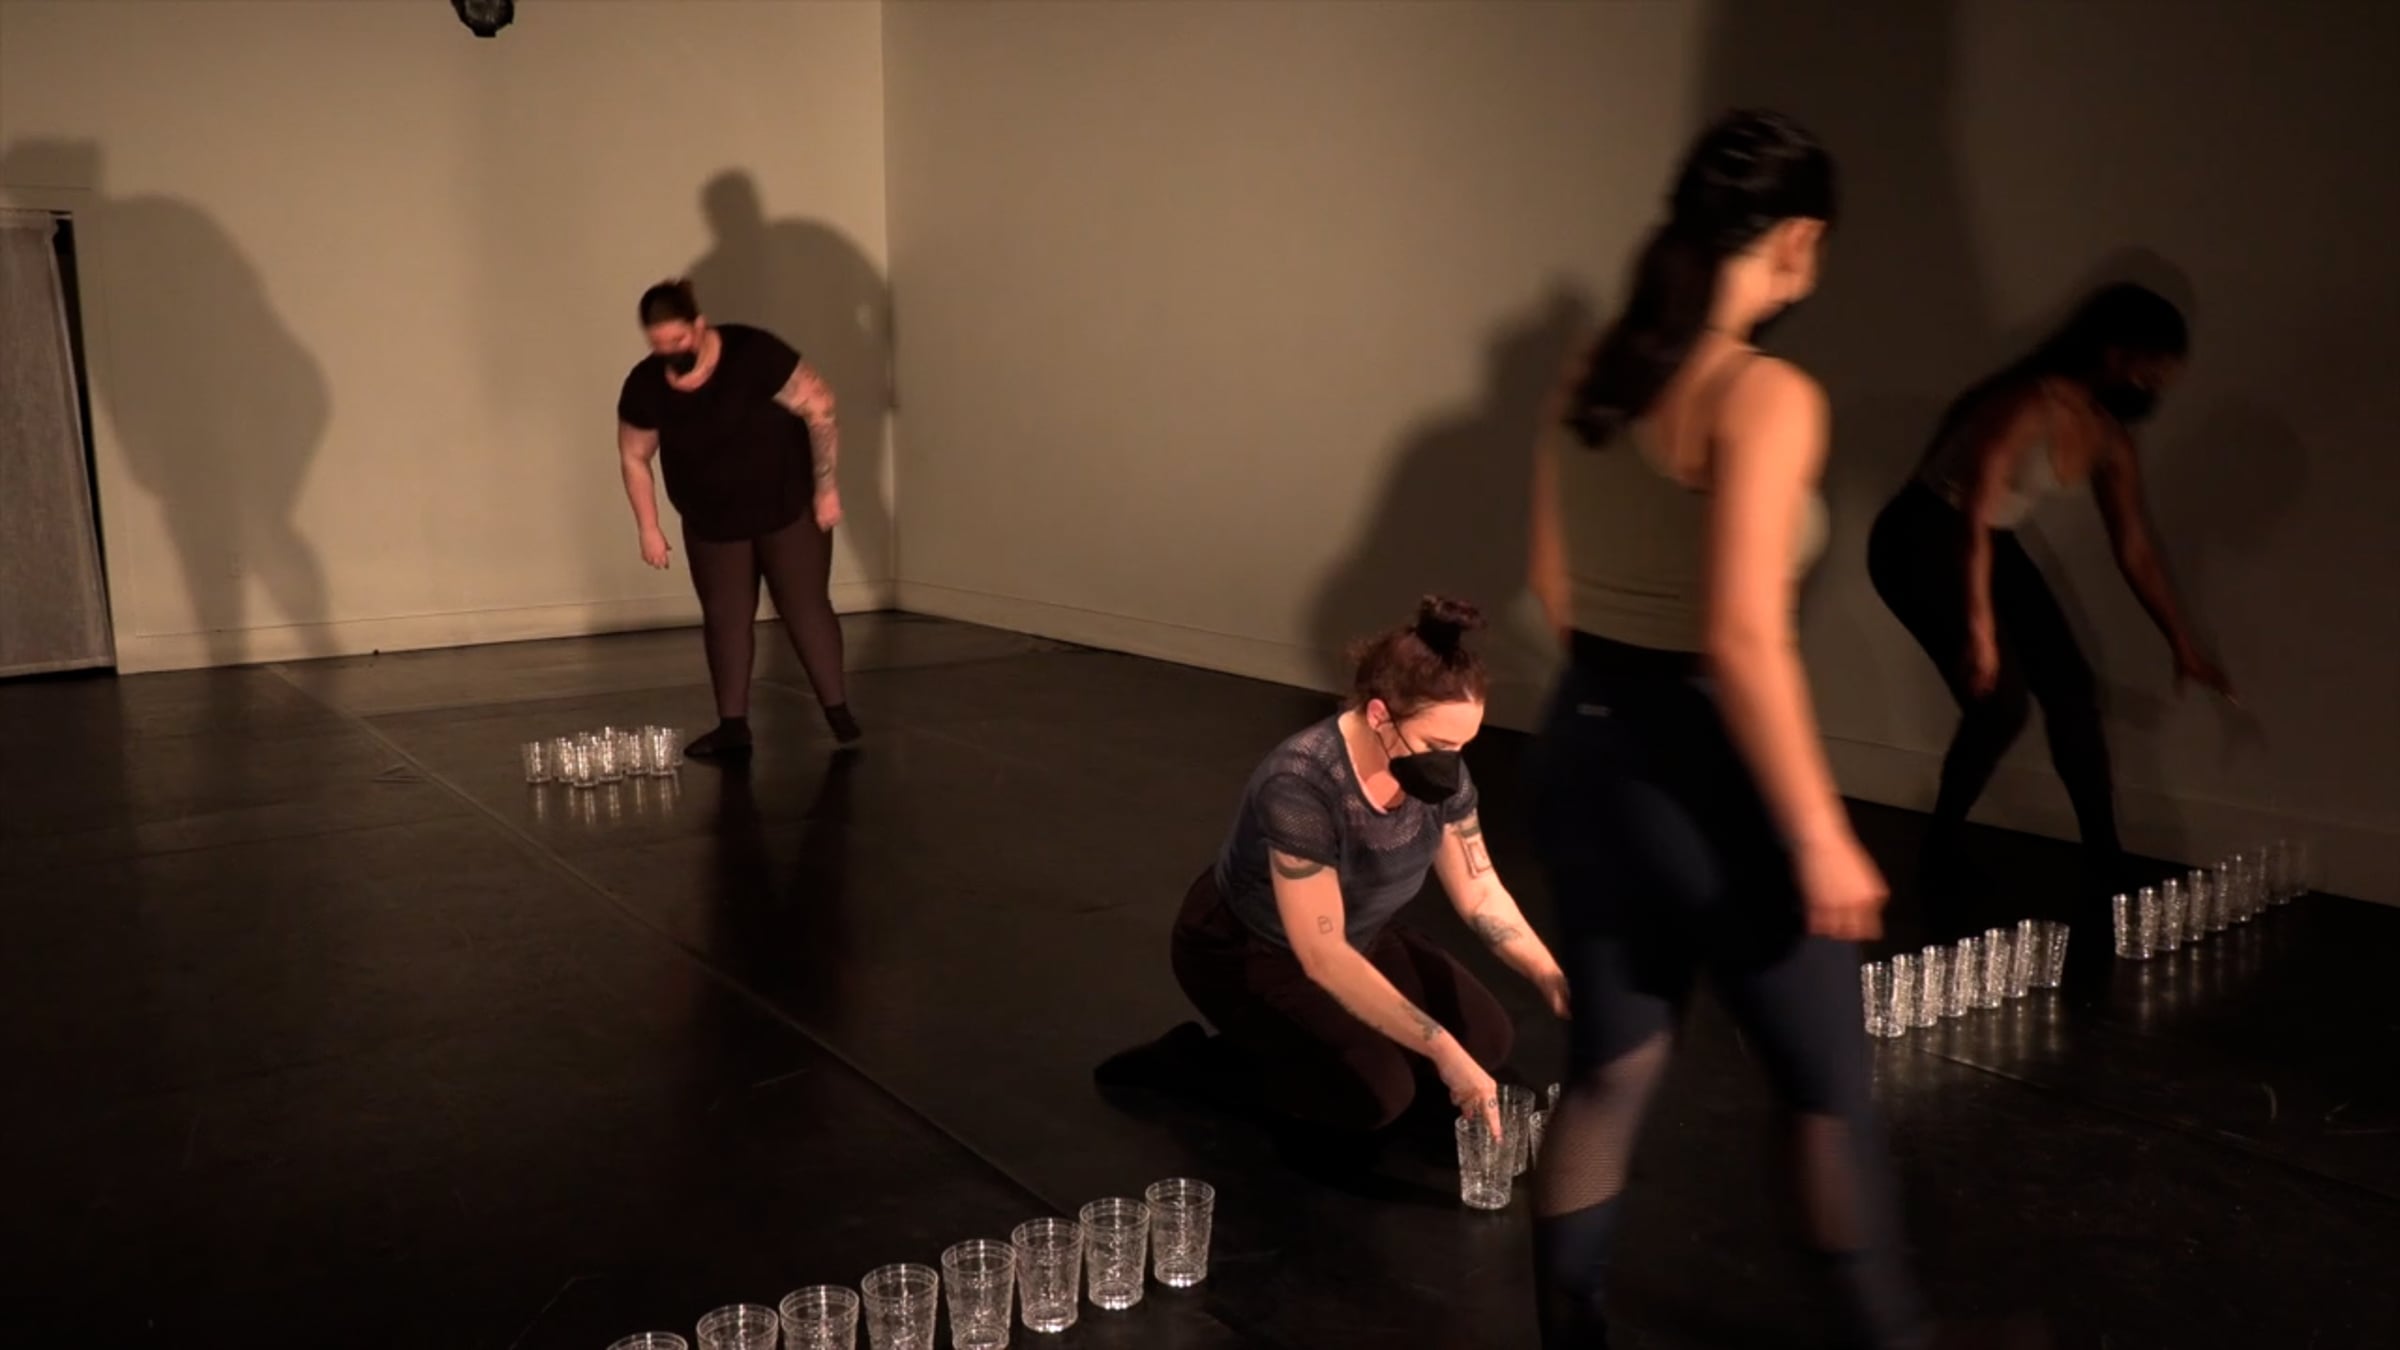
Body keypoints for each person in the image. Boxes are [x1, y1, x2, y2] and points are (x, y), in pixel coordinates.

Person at [1524, 110, 1926, 1347]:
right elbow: (1746, 637)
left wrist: (1621, 702)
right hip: (1704, 769)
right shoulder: (1765, 394)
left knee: (1612, 1067)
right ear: (1798, 239)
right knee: (1826, 1094)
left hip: (1584, 745)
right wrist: (1818, 837)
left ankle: (1571, 1332)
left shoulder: (1594, 367)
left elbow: (1550, 582)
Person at [1120, 596, 1568, 1147]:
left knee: (1488, 1041)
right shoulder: (1300, 784)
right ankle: (1204, 1062)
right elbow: (1322, 955)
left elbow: (1480, 893)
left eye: (1463, 746)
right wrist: (1442, 1051)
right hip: (1253, 954)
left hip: (1361, 933)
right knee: (1376, 1096)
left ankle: (1344, 1045)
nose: (1451, 762)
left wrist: (1549, 974)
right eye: (1438, 744)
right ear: (1379, 715)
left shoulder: (1434, 771)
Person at [1867, 282, 2231, 910]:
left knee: (2072, 690)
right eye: (2152, 370)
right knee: (2000, 703)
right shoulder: (2025, 404)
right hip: (1920, 538)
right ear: (2115, 353)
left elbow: (2135, 549)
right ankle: (1939, 852)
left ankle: (2106, 863)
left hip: (1989, 539)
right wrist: (1981, 631)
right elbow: (1972, 516)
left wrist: (2182, 643)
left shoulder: (2110, 437)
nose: (2157, 385)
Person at [616, 279, 859, 755]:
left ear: (699, 325)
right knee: (725, 617)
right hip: (712, 518)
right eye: (659, 344)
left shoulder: (753, 353)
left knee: (804, 606)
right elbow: (634, 456)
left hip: (785, 504)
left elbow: (820, 408)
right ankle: (732, 727)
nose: (670, 352)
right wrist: (648, 527)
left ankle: (838, 712)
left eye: (678, 340)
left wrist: (827, 489)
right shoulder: (646, 384)